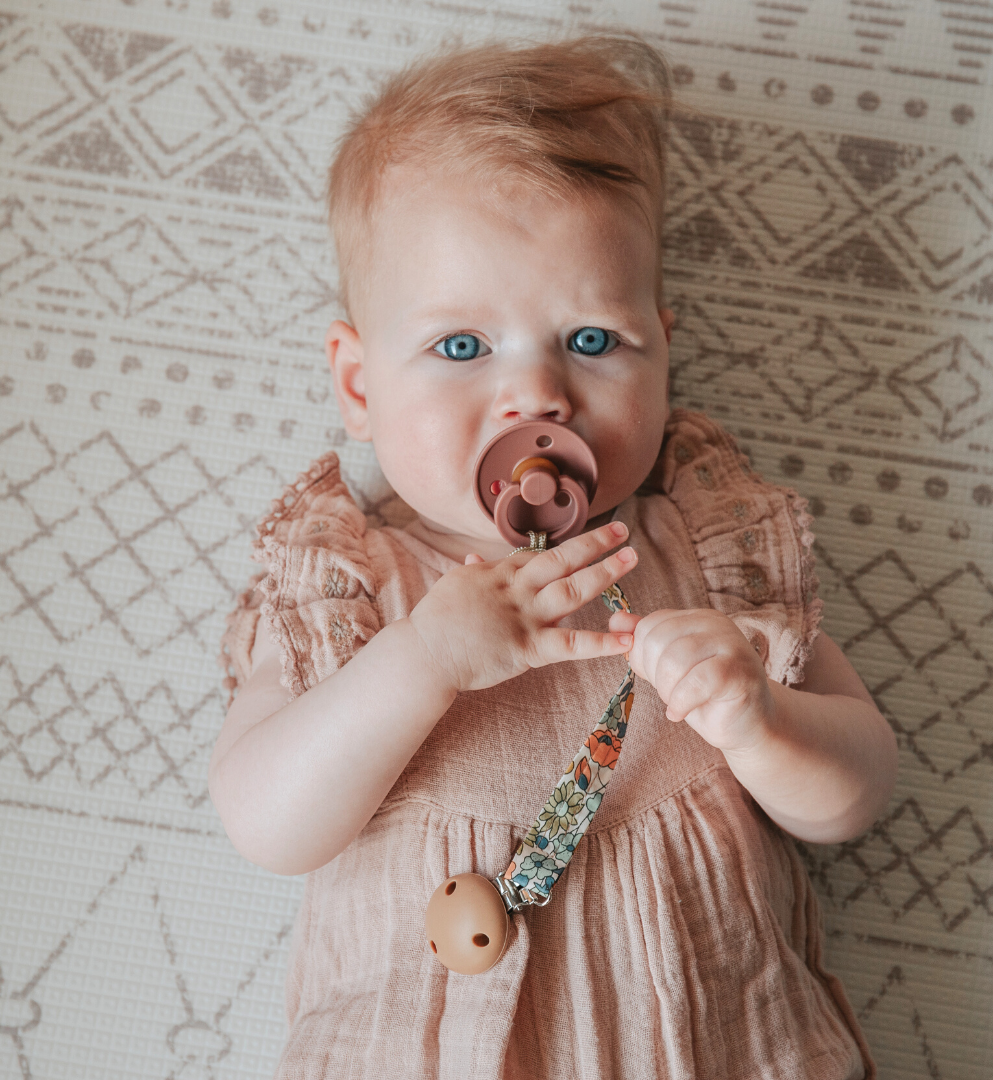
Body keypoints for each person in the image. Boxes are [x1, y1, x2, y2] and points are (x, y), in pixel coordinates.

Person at [211, 35, 897, 1080]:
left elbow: (857, 792)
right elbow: (267, 820)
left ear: (662, 354)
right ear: (357, 386)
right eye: (460, 348)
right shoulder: (357, 587)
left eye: (590, 341)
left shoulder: (710, 557)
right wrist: (420, 662)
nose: (536, 397)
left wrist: (759, 717)